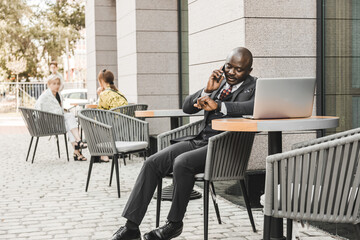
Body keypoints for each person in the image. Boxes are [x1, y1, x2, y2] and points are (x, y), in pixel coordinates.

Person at [110, 47, 257, 240]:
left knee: (182, 162)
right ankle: (131, 227)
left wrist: (220, 105)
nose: (231, 72)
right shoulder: (220, 83)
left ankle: (174, 224)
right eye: (228, 66)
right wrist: (207, 90)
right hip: (201, 140)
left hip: (225, 147)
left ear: (249, 71)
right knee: (152, 163)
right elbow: (188, 108)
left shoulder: (255, 87)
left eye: (238, 70)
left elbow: (253, 107)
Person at [35, 75, 87, 161]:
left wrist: (63, 112)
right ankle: (78, 144)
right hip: (47, 124)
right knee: (70, 118)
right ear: (49, 84)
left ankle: (77, 150)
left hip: (58, 122)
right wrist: (63, 113)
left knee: (69, 121)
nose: (57, 85)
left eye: (58, 83)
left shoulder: (58, 95)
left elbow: (58, 110)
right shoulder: (45, 97)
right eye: (54, 83)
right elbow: (41, 111)